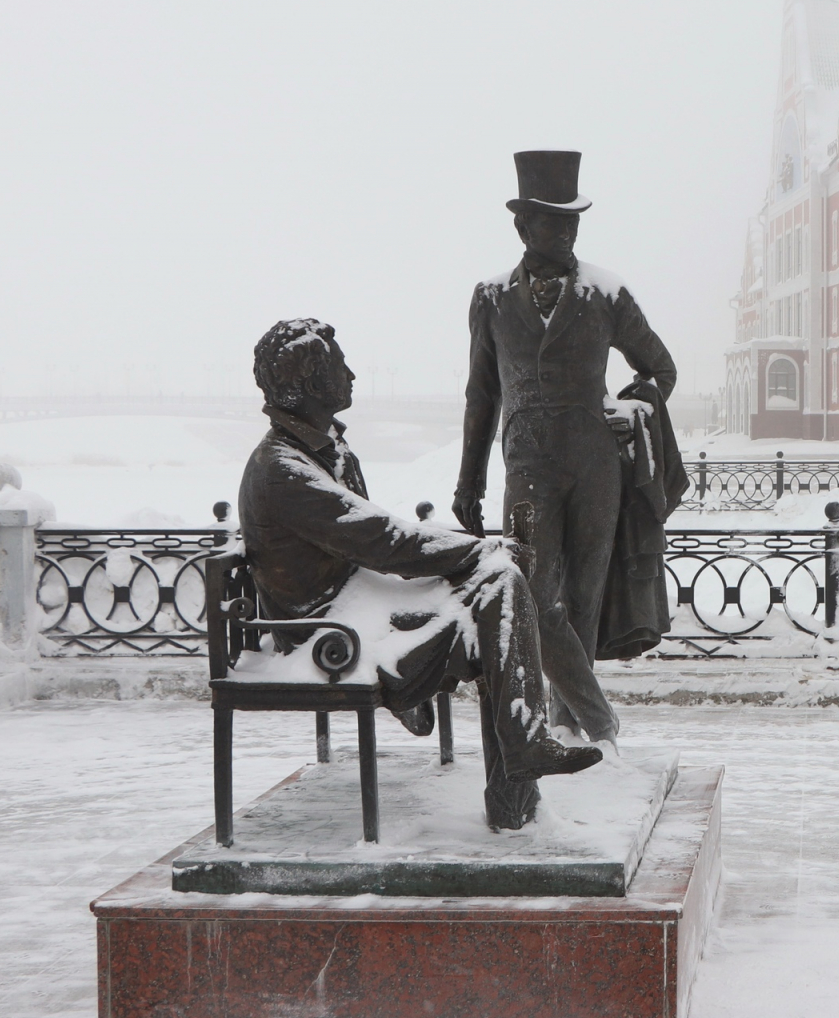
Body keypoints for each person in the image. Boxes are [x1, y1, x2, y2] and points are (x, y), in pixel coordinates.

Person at [237, 318, 600, 830]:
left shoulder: (318, 450)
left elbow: (378, 541)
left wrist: (482, 554)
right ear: (313, 382)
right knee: (497, 586)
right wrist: (482, 549)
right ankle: (521, 755)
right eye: (341, 366)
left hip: (355, 605)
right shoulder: (283, 470)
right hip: (329, 632)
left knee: (497, 587)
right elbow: (383, 541)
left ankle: (521, 756)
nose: (354, 375)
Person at [455, 152, 679, 749]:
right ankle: (598, 718)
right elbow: (482, 396)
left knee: (582, 595)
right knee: (531, 590)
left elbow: (660, 369)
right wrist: (468, 482)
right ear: (522, 227)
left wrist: (633, 408)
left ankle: (566, 725)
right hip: (526, 467)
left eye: (573, 220)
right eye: (554, 221)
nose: (567, 231)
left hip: (594, 466)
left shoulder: (606, 294)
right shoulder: (492, 298)